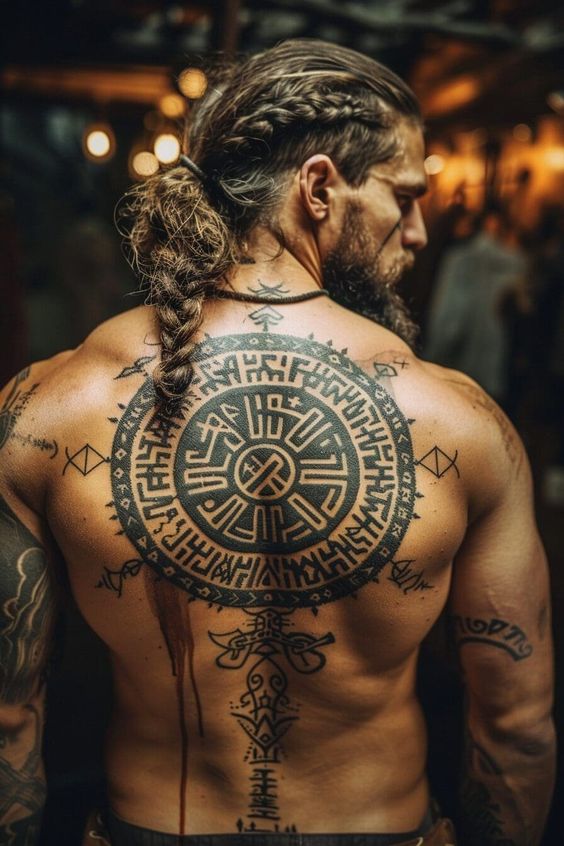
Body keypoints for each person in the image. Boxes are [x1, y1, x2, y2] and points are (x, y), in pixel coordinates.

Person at [0, 39, 555, 846]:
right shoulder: (463, 423)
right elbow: (517, 726)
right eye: (404, 196)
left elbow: (8, 717)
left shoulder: (46, 408)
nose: (421, 231)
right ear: (321, 186)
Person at [424, 208, 527, 404]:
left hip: (461, 345)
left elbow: (449, 305)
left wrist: (442, 341)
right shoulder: (513, 263)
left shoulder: (462, 258)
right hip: (485, 348)